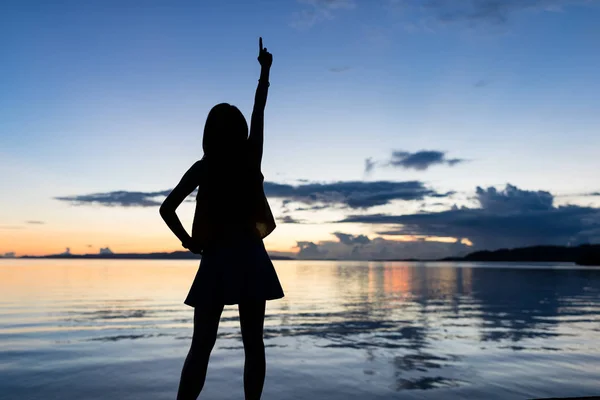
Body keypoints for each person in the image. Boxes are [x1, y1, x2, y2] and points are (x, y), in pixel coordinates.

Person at [159, 37, 284, 400]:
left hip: (216, 258)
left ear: (209, 133)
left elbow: (167, 209)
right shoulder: (249, 159)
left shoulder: (204, 167)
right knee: (253, 345)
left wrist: (189, 242)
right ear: (240, 131)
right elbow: (259, 112)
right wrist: (264, 72)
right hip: (249, 257)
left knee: (201, 345)